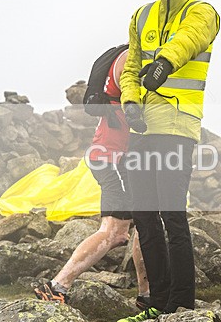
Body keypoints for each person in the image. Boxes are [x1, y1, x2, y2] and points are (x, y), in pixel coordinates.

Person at [117, 0, 220, 322]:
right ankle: (156, 301)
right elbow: (131, 67)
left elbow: (188, 40)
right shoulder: (141, 16)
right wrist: (130, 101)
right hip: (143, 126)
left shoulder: (203, 12)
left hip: (177, 126)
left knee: (172, 215)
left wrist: (164, 64)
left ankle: (182, 305)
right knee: (143, 215)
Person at [34, 49, 150, 306]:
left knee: (137, 227)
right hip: (114, 158)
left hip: (113, 156)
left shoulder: (123, 57)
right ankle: (57, 286)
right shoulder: (131, 60)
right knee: (117, 231)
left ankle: (146, 295)